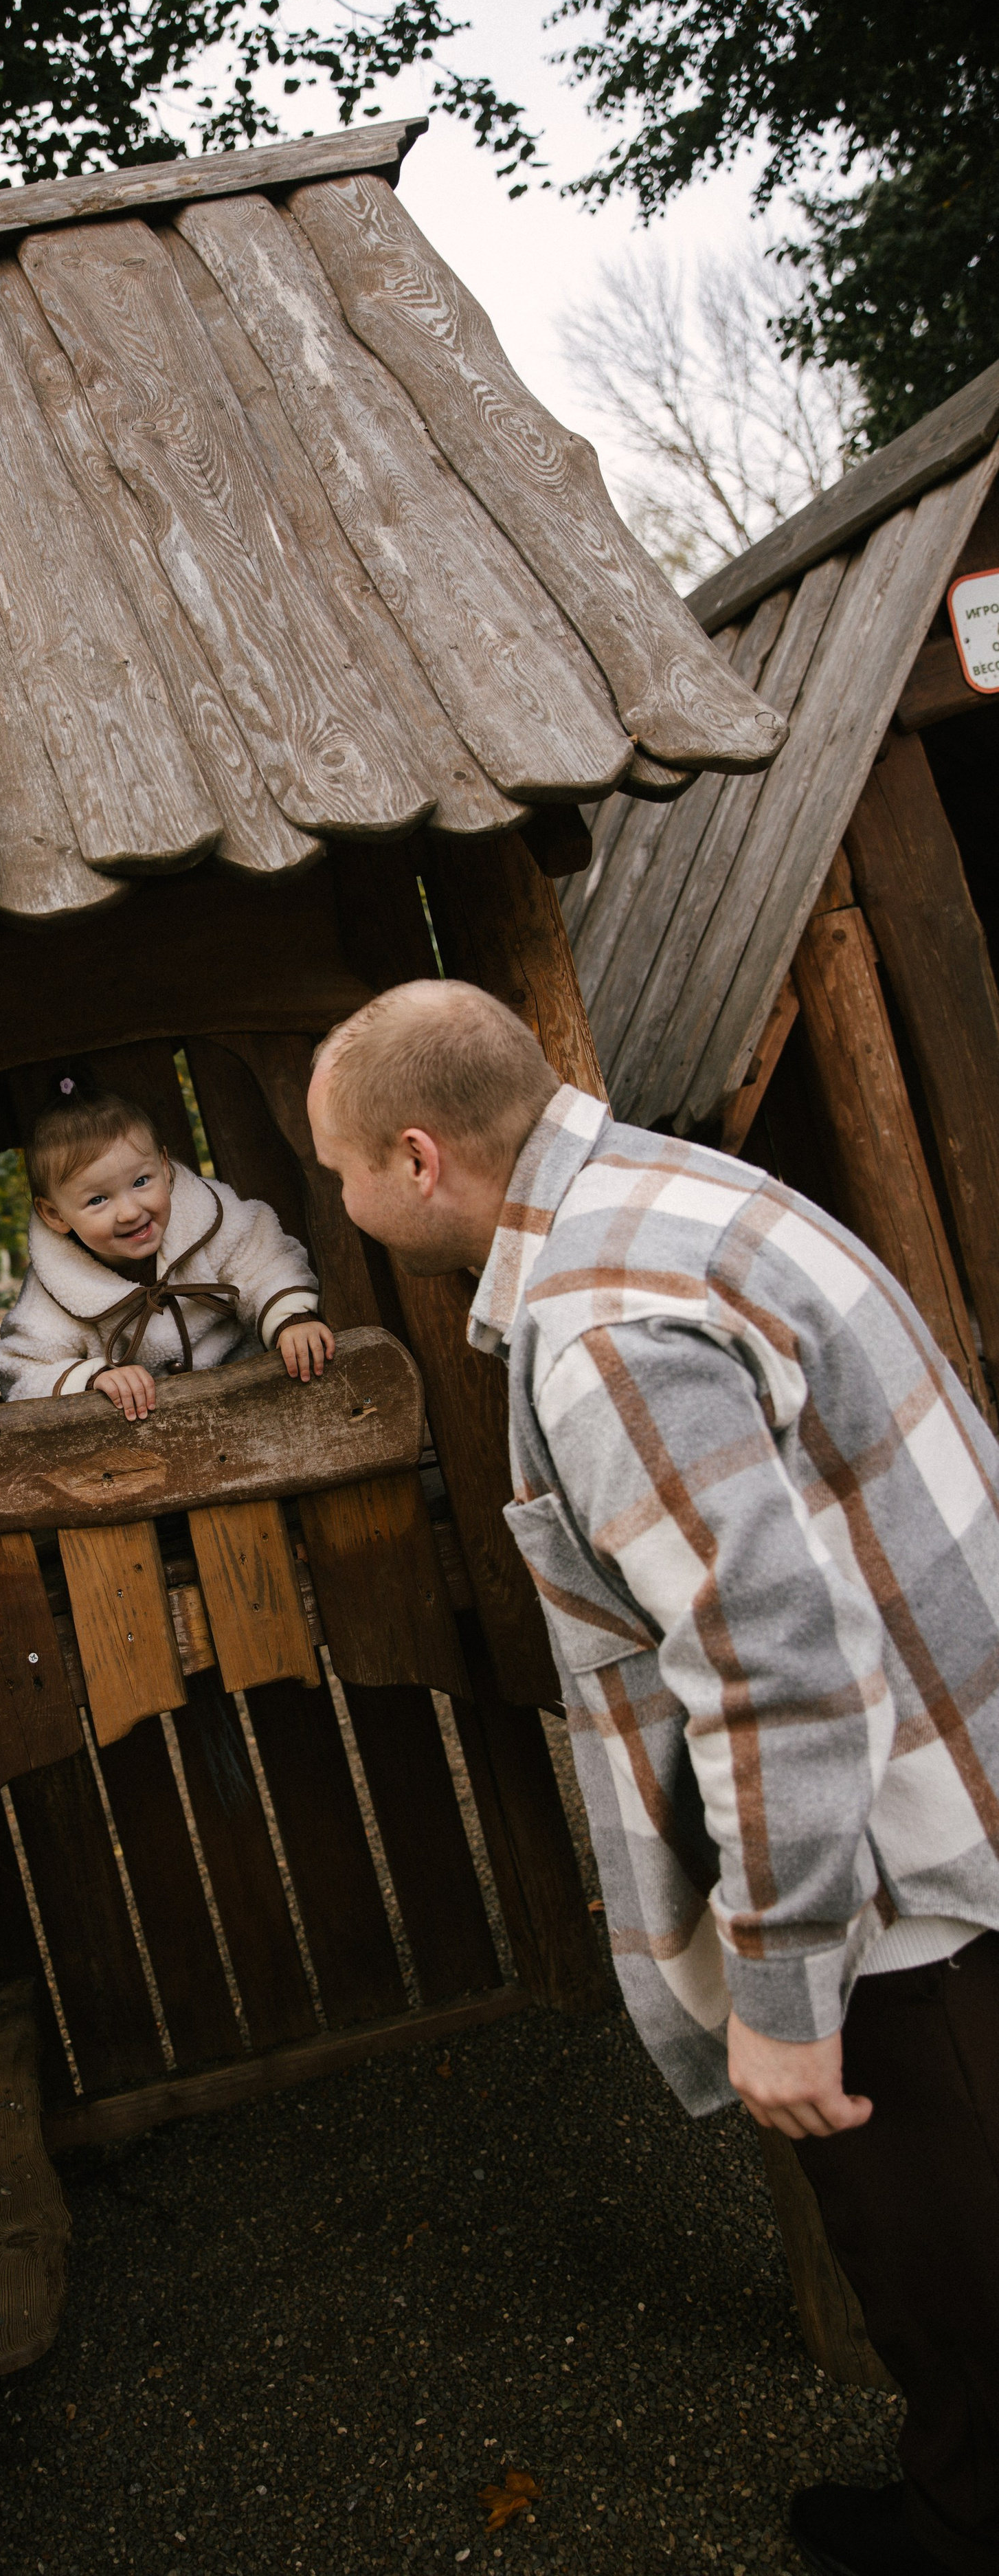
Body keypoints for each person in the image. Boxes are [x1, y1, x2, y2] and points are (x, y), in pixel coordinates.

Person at [307, 979, 999, 2576]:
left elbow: (769, 1672)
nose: (338, 1200)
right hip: (961, 1786)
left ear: (417, 1160)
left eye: (338, 1168)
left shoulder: (597, 1327)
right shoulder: (674, 1189)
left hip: (887, 1881)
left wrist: (778, 1986)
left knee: (942, 2263)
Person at [0, 1071, 335, 1417]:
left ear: (166, 1168)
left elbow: (266, 1262)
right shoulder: (55, 1289)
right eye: (98, 1200)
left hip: (258, 1396)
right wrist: (91, 1378)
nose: (129, 1212)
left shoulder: (210, 1219)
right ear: (55, 1215)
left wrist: (292, 1321)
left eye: (141, 1181)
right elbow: (23, 1373)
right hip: (145, 1436)